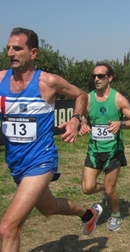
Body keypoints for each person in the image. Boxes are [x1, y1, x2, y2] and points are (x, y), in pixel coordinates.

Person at [0, 27, 102, 251]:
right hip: (16, 163)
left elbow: (81, 95)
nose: (10, 53)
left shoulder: (47, 82)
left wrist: (76, 119)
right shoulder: (1, 80)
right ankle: (88, 213)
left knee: (8, 227)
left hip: (40, 161)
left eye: (18, 48)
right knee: (47, 207)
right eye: (8, 48)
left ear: (33, 52)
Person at [79, 62, 130, 231]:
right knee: (87, 188)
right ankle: (106, 191)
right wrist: (82, 124)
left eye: (101, 76)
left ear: (110, 78)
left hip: (114, 150)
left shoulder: (118, 99)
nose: (97, 79)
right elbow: (82, 116)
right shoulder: (88, 98)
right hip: (94, 149)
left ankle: (115, 215)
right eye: (94, 76)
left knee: (110, 190)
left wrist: (120, 123)